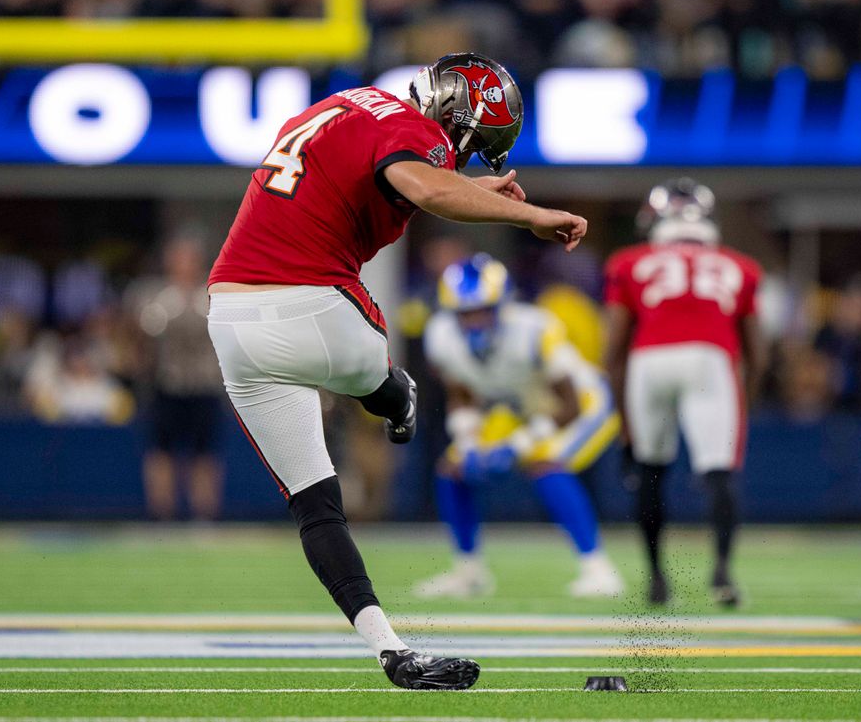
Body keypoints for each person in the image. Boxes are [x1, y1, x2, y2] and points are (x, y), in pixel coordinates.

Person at [205, 52, 588, 691]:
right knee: (379, 361)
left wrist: (469, 189)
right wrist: (532, 215)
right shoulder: (413, 131)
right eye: (472, 145)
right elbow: (429, 184)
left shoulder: (346, 105)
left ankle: (391, 650)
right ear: (456, 116)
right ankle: (394, 393)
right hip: (318, 310)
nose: (464, 157)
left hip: (230, 319)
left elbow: (396, 176)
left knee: (318, 509)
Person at [416, 254, 623, 599]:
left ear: (502, 305)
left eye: (483, 310)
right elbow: (463, 394)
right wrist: (468, 441)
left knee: (543, 462)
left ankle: (599, 570)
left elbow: (569, 404)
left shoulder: (535, 328)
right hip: (519, 403)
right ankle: (469, 572)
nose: (474, 321)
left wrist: (518, 446)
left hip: (582, 403)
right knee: (453, 467)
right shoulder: (440, 336)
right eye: (465, 313)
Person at [603, 178, 768, 606]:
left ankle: (657, 578)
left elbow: (613, 350)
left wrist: (624, 421)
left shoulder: (630, 261)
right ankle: (723, 575)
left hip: (648, 361)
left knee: (650, 470)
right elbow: (759, 353)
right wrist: (742, 404)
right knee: (719, 472)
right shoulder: (740, 266)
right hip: (710, 361)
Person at [129, 236, 226, 521]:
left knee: (205, 455)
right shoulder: (154, 294)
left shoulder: (211, 294)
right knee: (160, 453)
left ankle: (205, 518)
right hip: (166, 385)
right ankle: (162, 517)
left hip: (203, 386)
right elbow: (141, 332)